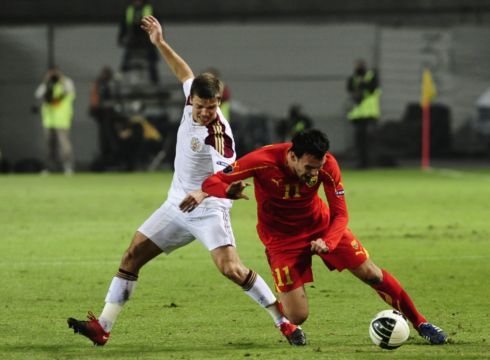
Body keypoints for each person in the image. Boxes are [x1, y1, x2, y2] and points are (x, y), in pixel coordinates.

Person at [67, 15, 305, 347]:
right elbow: (184, 72)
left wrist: (212, 192)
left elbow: (226, 176)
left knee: (231, 269)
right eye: (204, 105)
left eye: (214, 105)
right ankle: (103, 327)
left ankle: (284, 323)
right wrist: (160, 43)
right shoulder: (190, 94)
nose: (209, 112)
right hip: (177, 202)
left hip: (209, 208)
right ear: (191, 99)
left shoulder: (218, 135)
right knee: (132, 255)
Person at [200, 129, 448, 345]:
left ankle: (421, 323)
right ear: (293, 156)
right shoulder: (262, 160)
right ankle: (283, 323)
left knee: (371, 273)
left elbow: (340, 214)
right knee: (297, 315)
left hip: (321, 226)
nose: (313, 174)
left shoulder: (327, 166)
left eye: (317, 168)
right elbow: (212, 181)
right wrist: (227, 191)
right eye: (308, 168)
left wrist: (328, 241)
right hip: (281, 239)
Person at [34, 67, 76, 175]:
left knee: (64, 145)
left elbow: (70, 92)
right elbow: (38, 94)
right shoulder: (47, 84)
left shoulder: (66, 82)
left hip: (62, 120)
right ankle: (49, 168)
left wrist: (61, 80)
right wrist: (46, 81)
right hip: (49, 121)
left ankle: (68, 167)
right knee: (49, 146)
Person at [346, 59, 381, 168]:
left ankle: (371, 162)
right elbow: (349, 89)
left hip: (370, 114)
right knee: (359, 141)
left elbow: (374, 89)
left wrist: (363, 84)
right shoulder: (353, 78)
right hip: (358, 115)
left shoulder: (371, 76)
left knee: (370, 140)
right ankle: (361, 163)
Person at [118, 0, 159, 83]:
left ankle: (154, 78)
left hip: (146, 38)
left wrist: (157, 39)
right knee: (127, 54)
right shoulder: (129, 9)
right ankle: (121, 74)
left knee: (152, 56)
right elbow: (124, 24)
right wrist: (121, 37)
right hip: (133, 38)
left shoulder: (149, 8)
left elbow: (156, 24)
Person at [89, 66, 119, 169]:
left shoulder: (104, 84)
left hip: (106, 117)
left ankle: (112, 161)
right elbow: (98, 102)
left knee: (108, 139)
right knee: (106, 140)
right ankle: (108, 161)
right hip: (103, 116)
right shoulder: (101, 84)